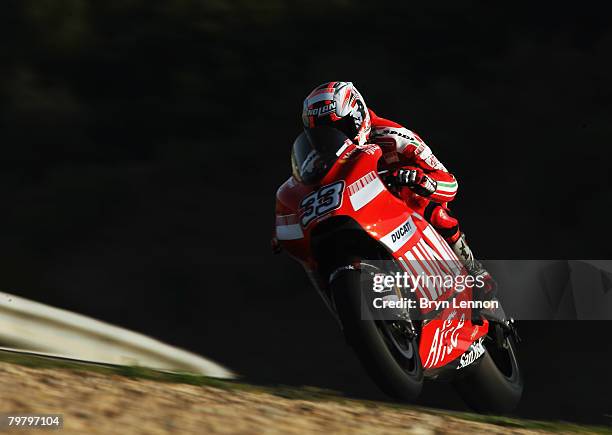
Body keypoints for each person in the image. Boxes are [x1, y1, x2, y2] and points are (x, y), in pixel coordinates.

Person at [302, 81, 495, 295]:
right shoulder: (317, 159)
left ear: (358, 115)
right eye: (324, 134)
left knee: (429, 208)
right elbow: (303, 189)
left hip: (400, 203)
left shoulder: (394, 136)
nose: (337, 139)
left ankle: (475, 272)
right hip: (356, 211)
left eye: (341, 129)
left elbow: (450, 183)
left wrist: (423, 182)